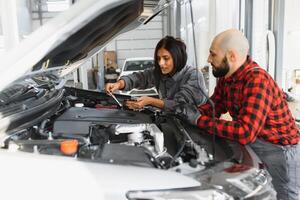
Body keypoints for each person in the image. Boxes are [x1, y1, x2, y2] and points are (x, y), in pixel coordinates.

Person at [178, 29, 300, 200]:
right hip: (257, 144)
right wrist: (188, 113)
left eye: (213, 55)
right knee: (261, 193)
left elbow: (245, 132)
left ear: (232, 56)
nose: (208, 60)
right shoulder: (226, 77)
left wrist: (199, 120)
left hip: (279, 151)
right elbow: (215, 106)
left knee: (284, 196)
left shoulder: (257, 81)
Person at [105, 36, 207, 112]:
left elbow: (180, 105)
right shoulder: (160, 73)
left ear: (178, 57)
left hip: (194, 130)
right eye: (158, 58)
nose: (161, 63)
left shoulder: (194, 76)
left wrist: (150, 101)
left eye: (166, 58)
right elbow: (140, 78)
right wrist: (118, 84)